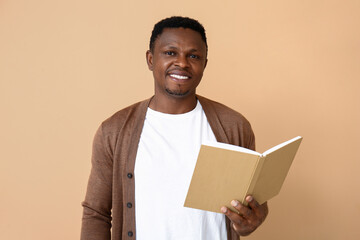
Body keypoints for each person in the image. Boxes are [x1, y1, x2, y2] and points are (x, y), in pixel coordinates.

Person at [81, 16, 268, 240]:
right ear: (150, 60)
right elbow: (96, 214)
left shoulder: (234, 127)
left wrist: (251, 221)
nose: (182, 62)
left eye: (194, 56)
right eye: (170, 53)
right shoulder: (114, 131)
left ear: (205, 64)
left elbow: (256, 204)